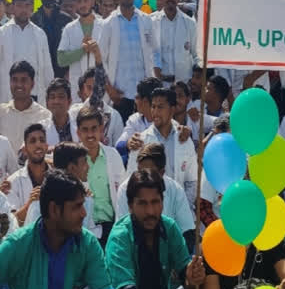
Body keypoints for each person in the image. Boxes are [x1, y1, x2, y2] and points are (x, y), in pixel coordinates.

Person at [106, 169, 205, 289]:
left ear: (162, 202)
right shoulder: (120, 238)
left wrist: (193, 278)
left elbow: (185, 278)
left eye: (155, 202)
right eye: (143, 203)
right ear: (130, 206)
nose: (150, 211)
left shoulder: (169, 227)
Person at [99, 0, 158, 122]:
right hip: (119, 96)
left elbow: (154, 52)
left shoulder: (146, 20)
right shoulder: (108, 24)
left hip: (144, 96)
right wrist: (109, 89)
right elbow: (100, 60)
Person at [115, 143, 195, 249]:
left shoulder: (175, 189)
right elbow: (122, 234)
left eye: (155, 202)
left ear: (162, 172)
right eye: (140, 171)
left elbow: (187, 232)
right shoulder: (125, 189)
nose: (144, 177)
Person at [128, 88, 198, 209]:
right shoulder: (140, 141)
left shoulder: (184, 139)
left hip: (179, 209)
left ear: (172, 109)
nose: (155, 112)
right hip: (150, 210)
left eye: (160, 107)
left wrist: (183, 207)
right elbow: (131, 179)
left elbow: (191, 181)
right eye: (153, 106)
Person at [0, 0, 53, 106]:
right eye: (19, 5)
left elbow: (47, 67)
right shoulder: (1, 33)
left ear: (32, 8)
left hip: (35, 95)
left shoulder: (40, 34)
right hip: (9, 95)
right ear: (12, 8)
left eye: (27, 5)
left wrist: (51, 95)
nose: (23, 10)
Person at [24, 142, 101, 238]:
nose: (88, 167)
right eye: (84, 162)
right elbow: (31, 238)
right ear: (72, 168)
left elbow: (89, 235)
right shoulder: (39, 203)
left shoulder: (87, 200)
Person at [76, 105, 125, 246]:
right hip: (83, 227)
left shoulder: (113, 155)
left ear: (101, 130)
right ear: (78, 132)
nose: (90, 134)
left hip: (111, 227)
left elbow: (122, 192)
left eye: (94, 129)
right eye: (85, 130)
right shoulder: (73, 158)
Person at [0, 61, 52, 154]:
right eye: (14, 80)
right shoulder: (1, 112)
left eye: (24, 80)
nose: (19, 85)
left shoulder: (44, 115)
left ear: (32, 84)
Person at [57, 0, 105, 101]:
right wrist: (82, 50)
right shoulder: (69, 28)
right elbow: (61, 60)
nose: (82, 4)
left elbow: (112, 58)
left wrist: (96, 51)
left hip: (100, 84)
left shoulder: (105, 25)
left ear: (93, 1)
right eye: (79, 1)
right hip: (78, 88)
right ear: (75, 4)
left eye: (86, 0)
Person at [151, 0, 199, 85]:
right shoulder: (151, 23)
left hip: (184, 86)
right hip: (160, 88)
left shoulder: (189, 23)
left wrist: (196, 80)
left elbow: (196, 55)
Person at [7, 123, 50, 225]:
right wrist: (30, 204)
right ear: (25, 150)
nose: (38, 145)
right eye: (33, 141)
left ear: (47, 147)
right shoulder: (13, 181)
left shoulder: (59, 176)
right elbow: (12, 222)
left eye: (42, 140)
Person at [32, 0, 73, 79]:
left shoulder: (66, 19)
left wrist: (69, 71)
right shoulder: (34, 19)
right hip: (40, 72)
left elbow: (72, 47)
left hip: (62, 72)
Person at [44, 78, 78, 145]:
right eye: (52, 97)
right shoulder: (41, 128)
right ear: (47, 103)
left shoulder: (80, 126)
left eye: (61, 97)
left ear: (69, 101)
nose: (56, 101)